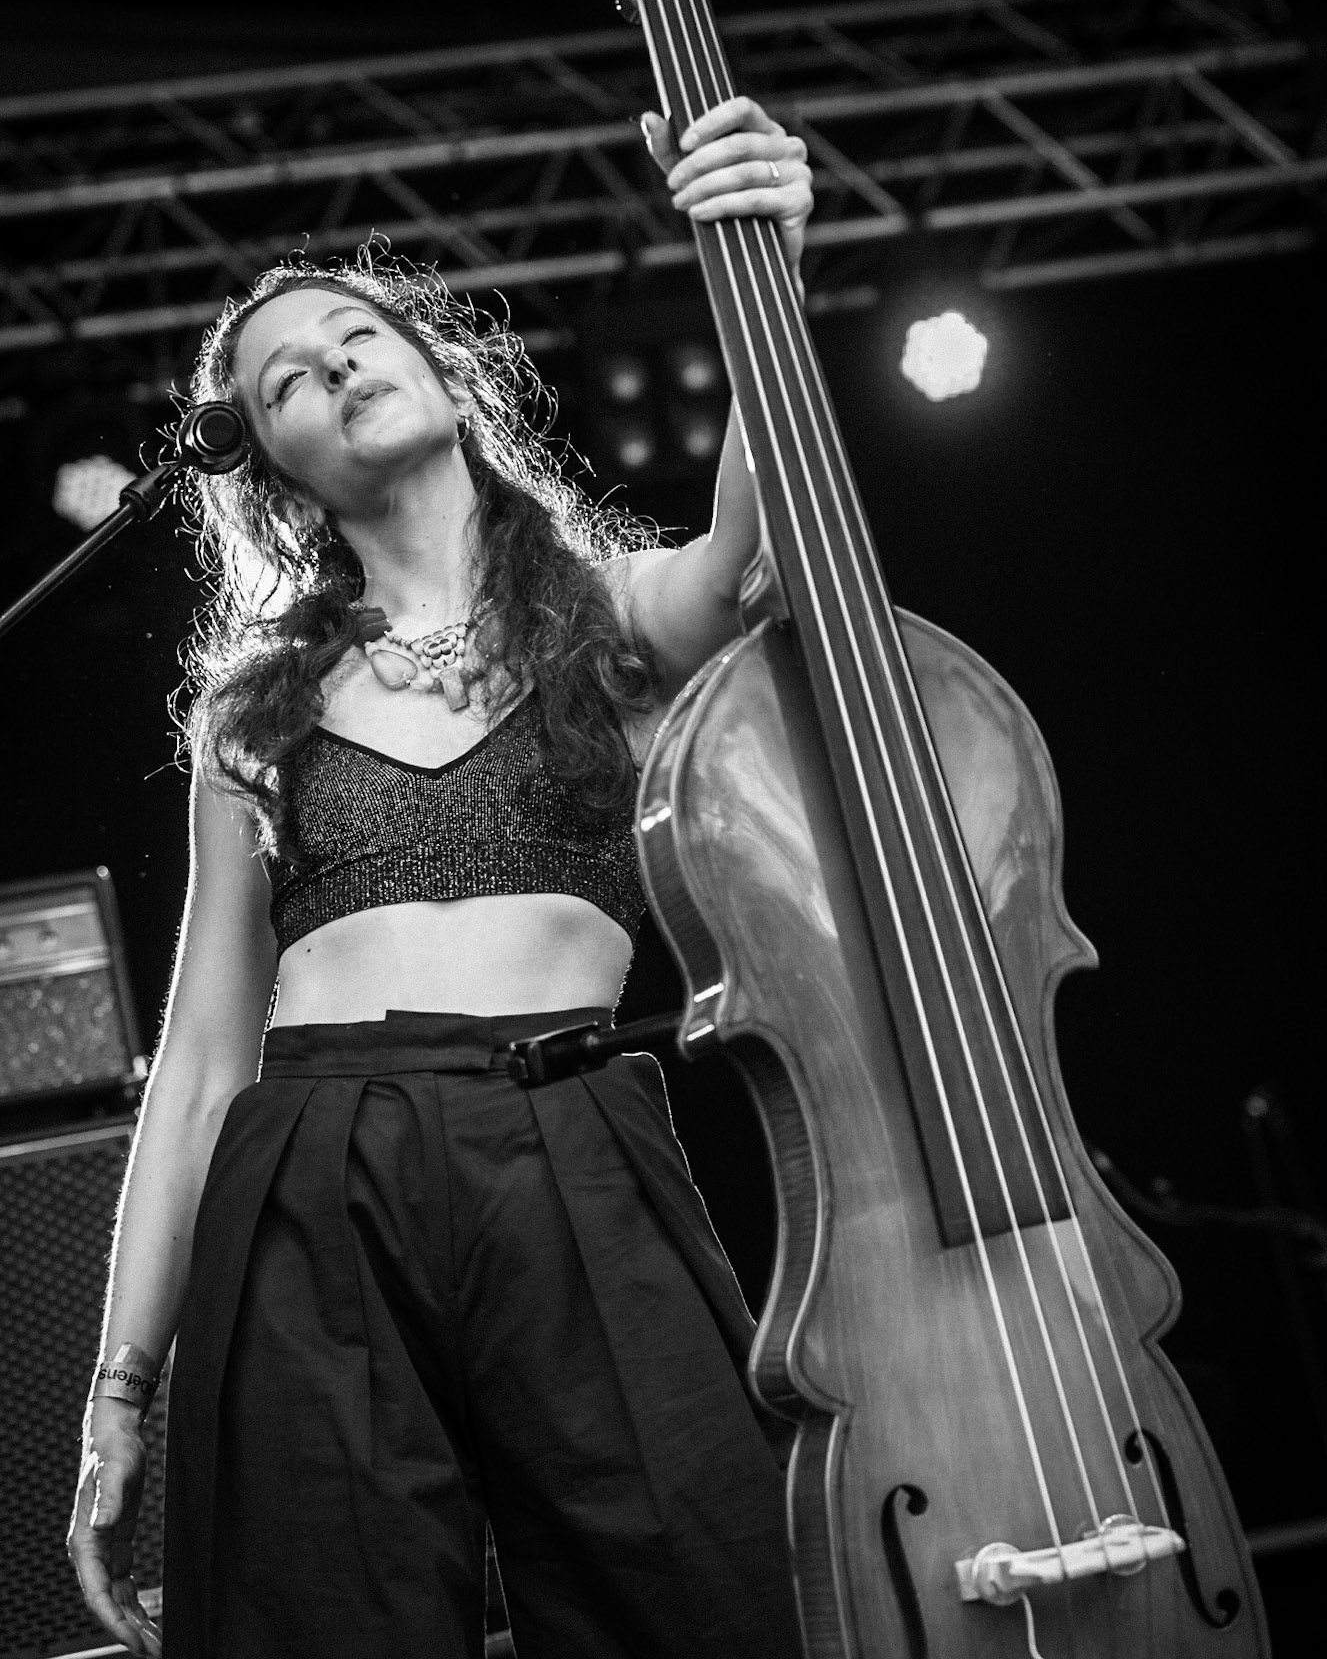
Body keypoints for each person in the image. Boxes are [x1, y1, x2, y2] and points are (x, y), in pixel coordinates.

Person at [66, 96, 815, 1659]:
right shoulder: (253, 704)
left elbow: (751, 556)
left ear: (437, 372)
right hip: (312, 1170)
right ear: (271, 467)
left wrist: (766, 266)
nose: (332, 362)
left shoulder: (605, 615)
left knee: (697, 1591)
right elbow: (203, 1061)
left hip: (572, 1142)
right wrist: (120, 1385)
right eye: (285, 380)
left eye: (352, 333)